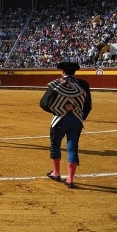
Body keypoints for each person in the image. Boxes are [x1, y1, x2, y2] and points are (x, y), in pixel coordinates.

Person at [39, 61, 92, 189]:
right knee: (73, 147)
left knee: (55, 145)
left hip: (59, 119)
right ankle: (70, 179)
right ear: (75, 72)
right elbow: (88, 105)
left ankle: (56, 173)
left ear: (62, 71)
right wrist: (79, 114)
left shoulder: (56, 84)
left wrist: (58, 110)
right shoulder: (83, 84)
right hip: (76, 120)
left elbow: (44, 103)